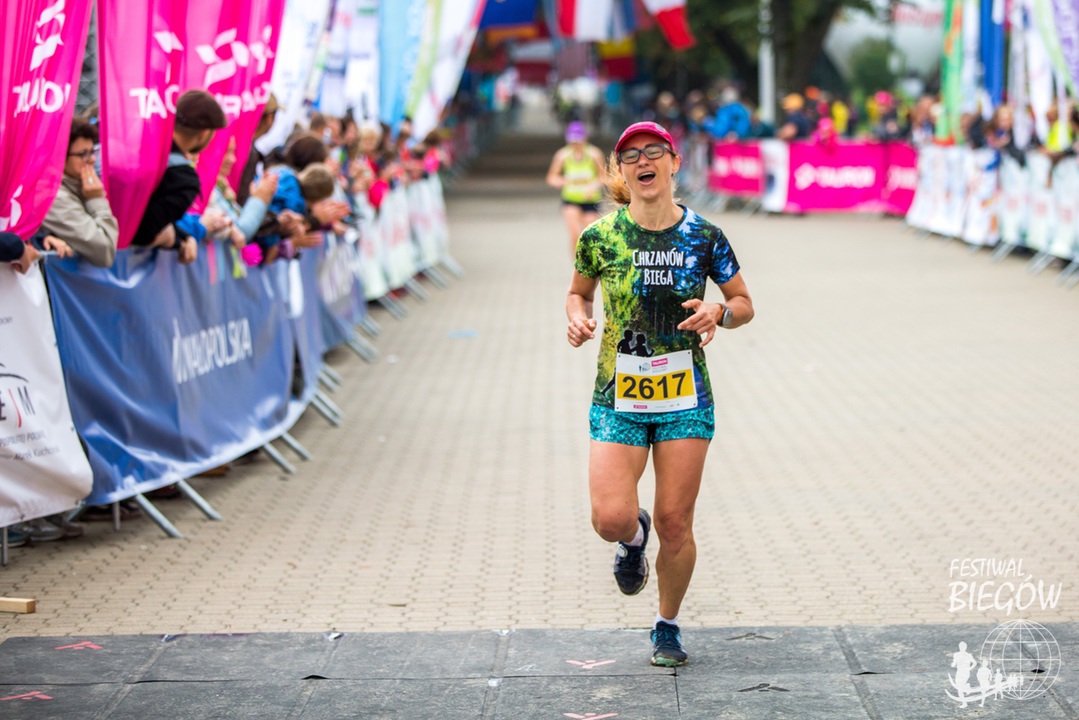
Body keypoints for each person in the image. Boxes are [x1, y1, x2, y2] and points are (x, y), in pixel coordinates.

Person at [566, 121, 754, 667]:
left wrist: (719, 311)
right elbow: (578, 293)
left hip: (684, 398)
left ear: (674, 162)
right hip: (618, 395)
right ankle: (632, 539)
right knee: (610, 518)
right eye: (631, 155)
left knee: (676, 523)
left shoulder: (704, 236)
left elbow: (744, 303)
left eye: (653, 151)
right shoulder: (599, 237)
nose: (643, 161)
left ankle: (666, 625)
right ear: (621, 171)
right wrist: (577, 318)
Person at [130, 89, 227, 263]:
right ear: (204, 133)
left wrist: (181, 235)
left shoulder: (136, 141)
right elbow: (143, 231)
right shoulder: (183, 180)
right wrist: (174, 239)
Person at [39, 117, 118, 267]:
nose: (92, 159)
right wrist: (96, 200)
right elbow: (105, 252)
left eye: (93, 151)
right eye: (83, 154)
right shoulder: (53, 196)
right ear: (60, 155)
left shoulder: (78, 186)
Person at [546, 121, 605, 255]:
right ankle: (577, 264)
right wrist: (562, 181)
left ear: (585, 139)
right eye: (573, 141)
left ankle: (591, 262)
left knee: (591, 235)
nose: (576, 144)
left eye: (578, 141)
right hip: (571, 199)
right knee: (575, 233)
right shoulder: (562, 155)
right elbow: (551, 177)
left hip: (590, 200)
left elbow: (604, 176)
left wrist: (593, 187)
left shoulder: (594, 154)